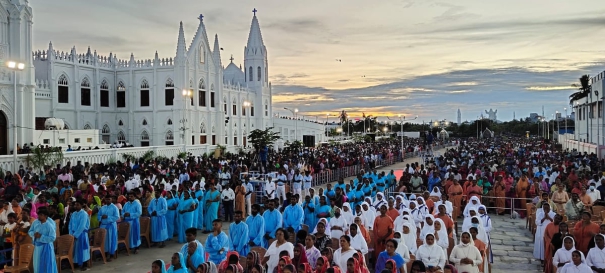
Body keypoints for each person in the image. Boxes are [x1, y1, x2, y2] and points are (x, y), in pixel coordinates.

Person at [28, 207, 57, 273]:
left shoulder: (49, 225)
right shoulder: (35, 222)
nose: (39, 216)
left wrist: (41, 236)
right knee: (36, 263)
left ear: (45, 216)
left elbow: (53, 237)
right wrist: (33, 234)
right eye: (38, 215)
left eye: (41, 215)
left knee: (46, 264)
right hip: (37, 247)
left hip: (46, 247)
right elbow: (30, 231)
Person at [69, 199, 90, 271]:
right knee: (75, 249)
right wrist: (71, 234)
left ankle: (84, 264)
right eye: (75, 205)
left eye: (78, 205)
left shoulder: (84, 214)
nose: (76, 206)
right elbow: (70, 225)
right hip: (74, 234)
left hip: (81, 234)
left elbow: (82, 226)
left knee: (83, 249)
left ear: (81, 205)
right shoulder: (73, 214)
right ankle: (76, 262)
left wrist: (75, 235)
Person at [98, 195, 119, 260]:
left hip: (111, 226)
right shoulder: (103, 207)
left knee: (111, 240)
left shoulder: (114, 207)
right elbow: (98, 216)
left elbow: (116, 217)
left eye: (109, 199)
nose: (107, 200)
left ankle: (111, 254)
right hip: (103, 226)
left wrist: (108, 217)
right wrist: (101, 217)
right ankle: (105, 253)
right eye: (106, 199)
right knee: (104, 241)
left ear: (111, 199)